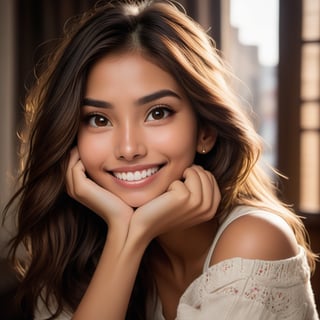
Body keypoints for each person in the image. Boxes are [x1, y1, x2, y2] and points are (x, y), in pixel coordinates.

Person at [3, 0, 319, 319]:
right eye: (99, 119)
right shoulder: (75, 247)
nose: (128, 148)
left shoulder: (254, 240)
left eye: (158, 113)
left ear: (205, 131)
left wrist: (133, 233)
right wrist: (127, 236)